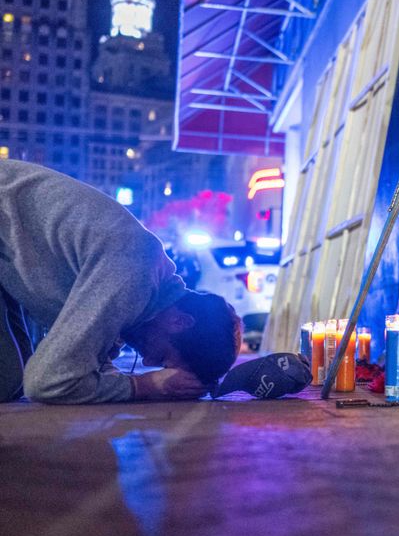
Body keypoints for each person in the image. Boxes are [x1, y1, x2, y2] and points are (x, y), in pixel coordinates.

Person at [0, 160, 241, 404]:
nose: (147, 362)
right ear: (179, 321)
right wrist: (143, 386)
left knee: (7, 381)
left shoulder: (151, 285)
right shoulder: (135, 273)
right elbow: (46, 381)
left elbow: (90, 363)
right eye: (162, 360)